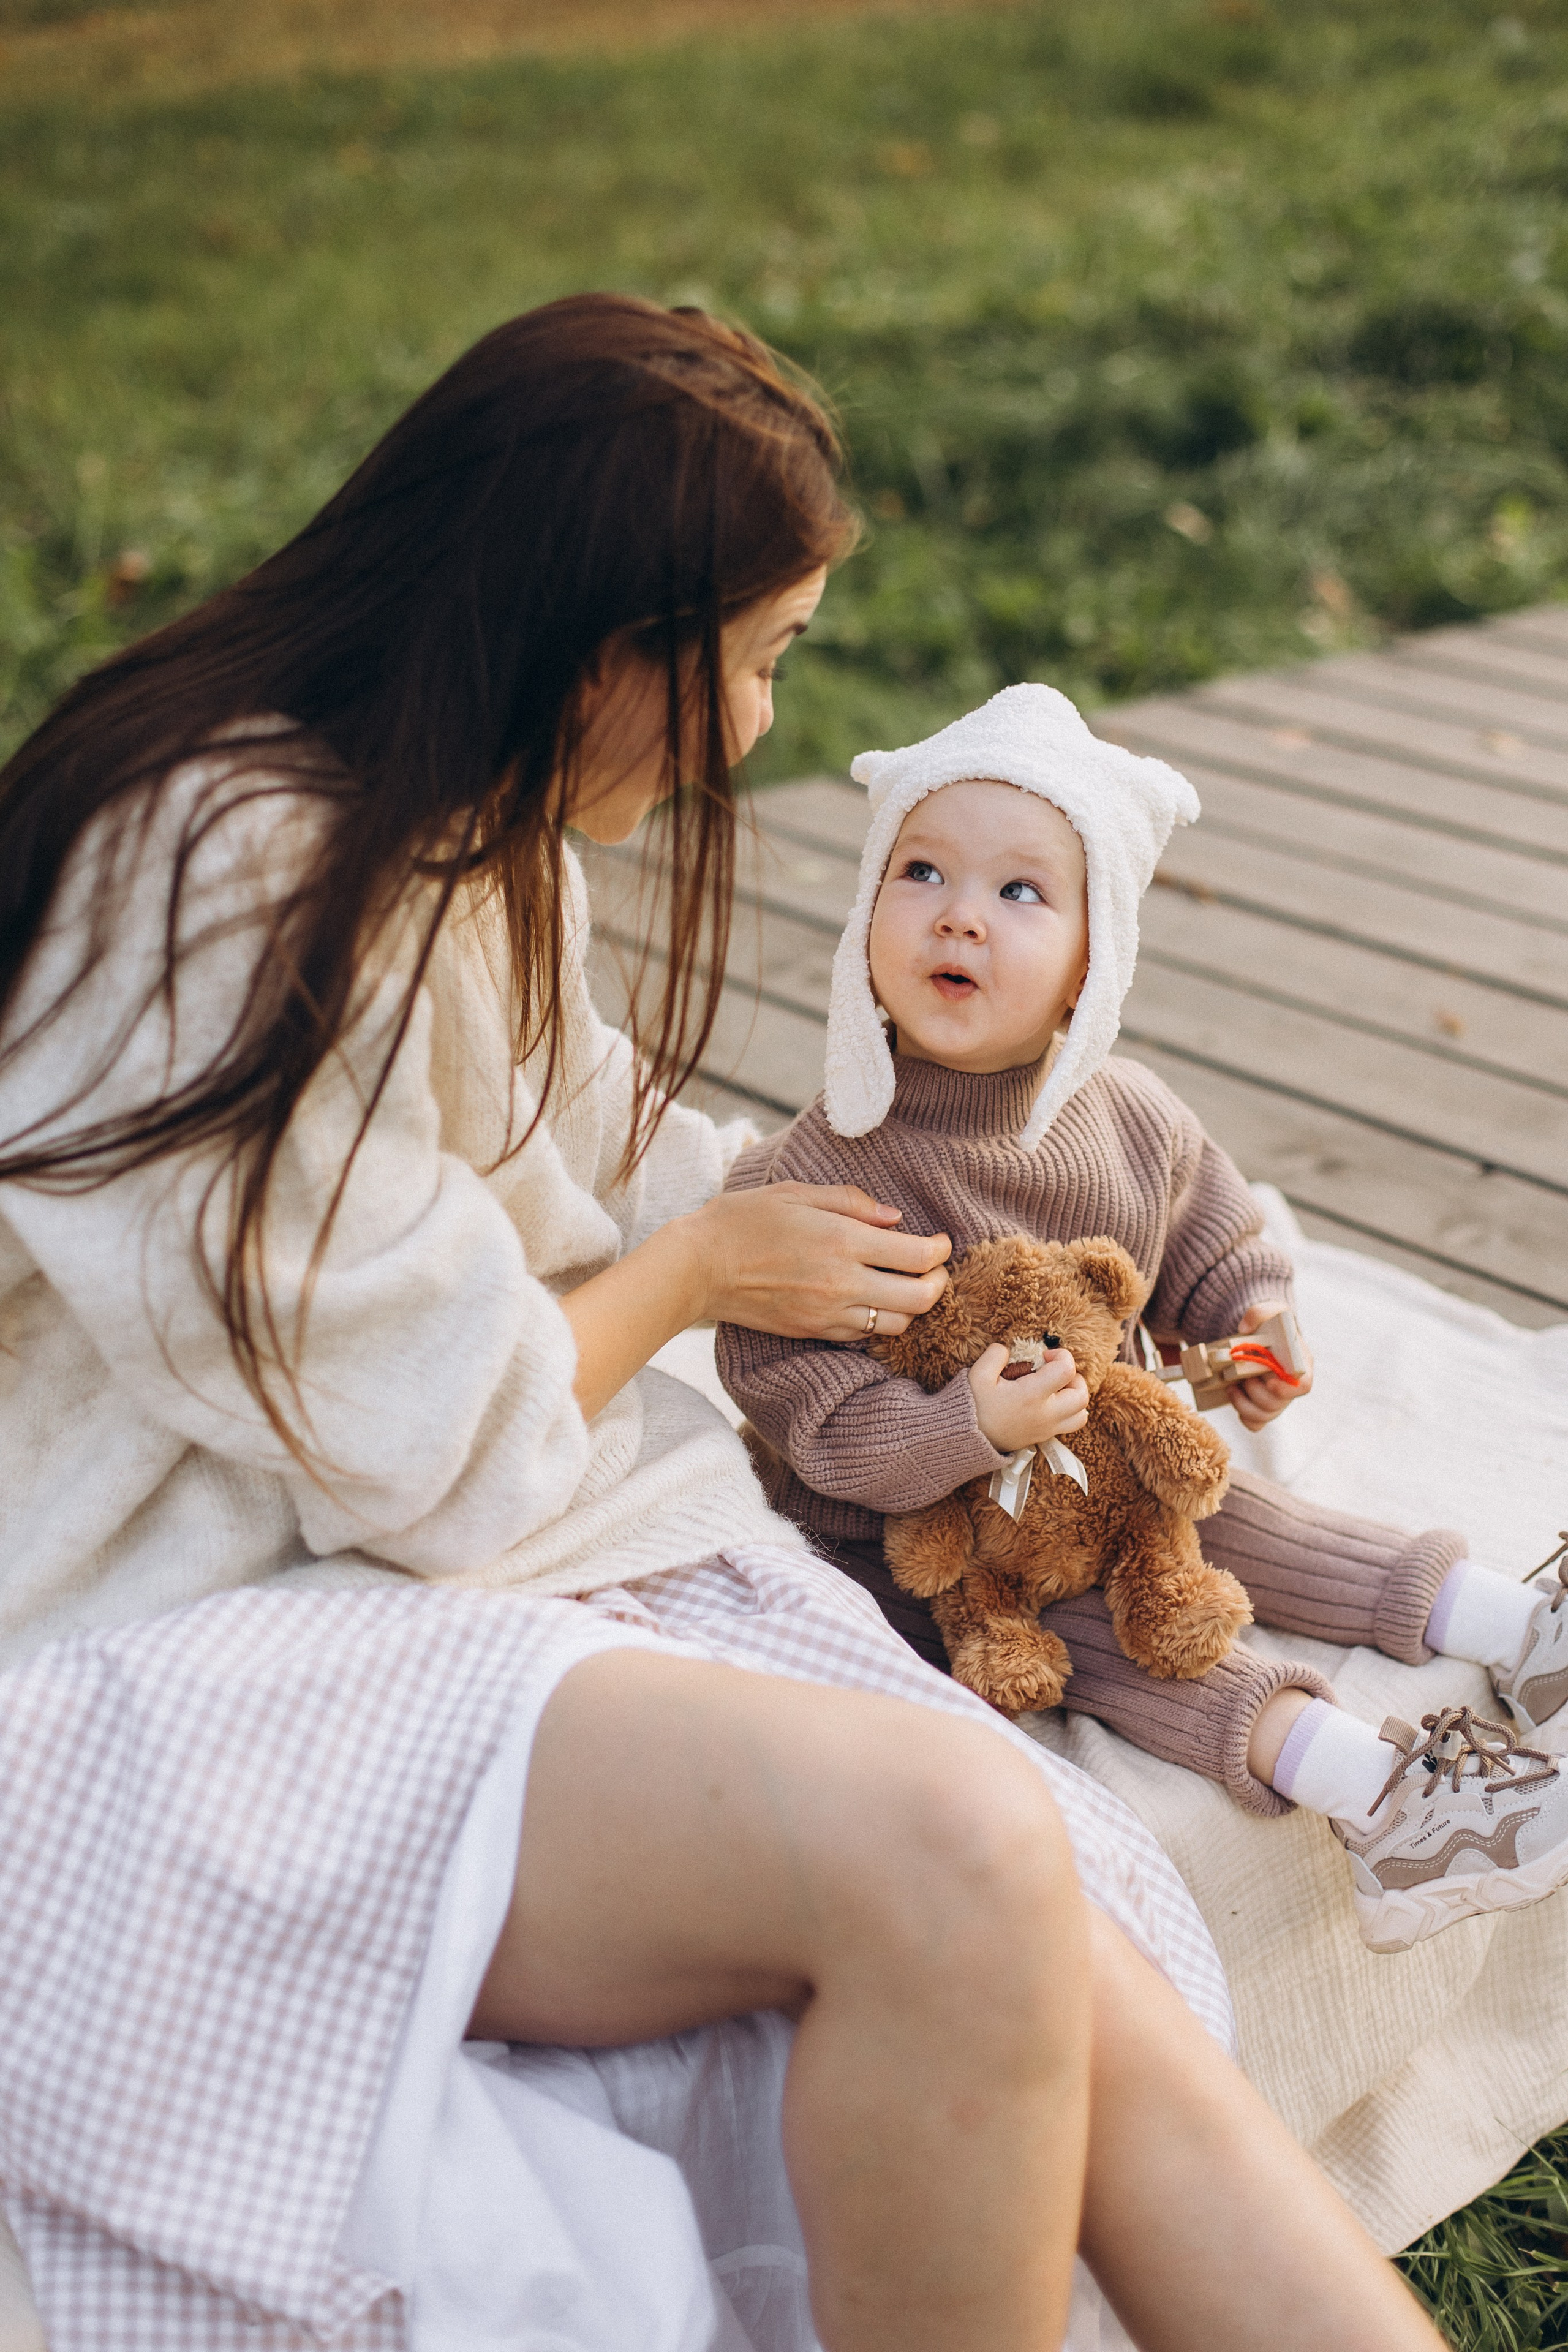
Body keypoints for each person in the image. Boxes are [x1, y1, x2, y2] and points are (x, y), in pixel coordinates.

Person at [0, 294, 1444, 2351]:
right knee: (955, 1843)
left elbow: (609, 1137)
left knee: (1063, 1955)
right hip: (165, 1643)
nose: (759, 731)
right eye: (755, 661)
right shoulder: (221, 873)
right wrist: (694, 1285)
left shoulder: (474, 841)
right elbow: (425, 1451)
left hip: (412, 1578)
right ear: (600, 635)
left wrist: (907, 1264)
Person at [716, 686, 1568, 1956]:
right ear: (866, 916)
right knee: (1122, 1631)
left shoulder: (1128, 1118)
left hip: (1102, 1454)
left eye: (1019, 893)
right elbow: (811, 1414)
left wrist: (1252, 1327)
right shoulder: (818, 1176)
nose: (958, 910)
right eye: (921, 870)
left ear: (1088, 962)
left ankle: (1516, 1632)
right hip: (930, 1533)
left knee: (1230, 1509)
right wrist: (968, 1424)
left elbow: (1214, 1247)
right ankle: (1381, 1797)